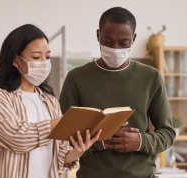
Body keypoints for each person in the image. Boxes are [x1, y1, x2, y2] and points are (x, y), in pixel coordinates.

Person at [59, 7, 175, 177]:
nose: (115, 48)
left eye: (123, 43)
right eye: (107, 41)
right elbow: (62, 138)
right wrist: (102, 141)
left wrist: (140, 141)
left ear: (133, 39)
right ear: (98, 35)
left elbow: (167, 133)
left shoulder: (151, 77)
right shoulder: (76, 78)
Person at [0, 24, 101, 178]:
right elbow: (17, 138)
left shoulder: (50, 101)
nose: (44, 62)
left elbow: (58, 155)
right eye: (36, 57)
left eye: (47, 57)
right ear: (16, 60)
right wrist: (61, 122)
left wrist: (76, 152)